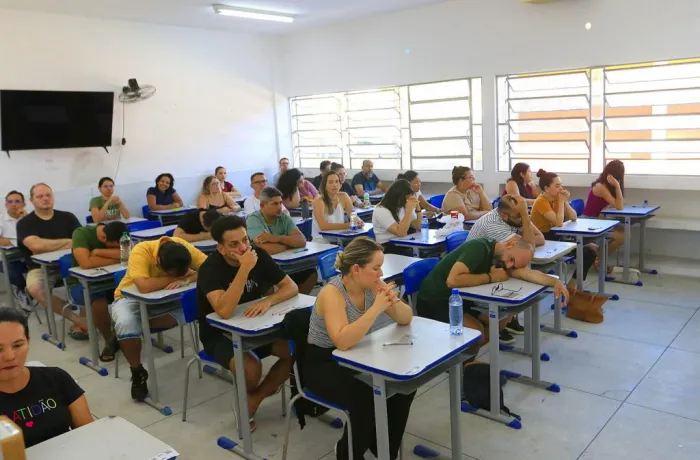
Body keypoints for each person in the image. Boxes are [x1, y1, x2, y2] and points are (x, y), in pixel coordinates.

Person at [305, 237, 414, 460]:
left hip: (358, 355)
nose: (380, 273)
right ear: (356, 269)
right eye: (375, 268)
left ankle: (383, 449)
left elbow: (406, 318)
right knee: (366, 396)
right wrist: (376, 309)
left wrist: (391, 301)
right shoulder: (332, 293)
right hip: (323, 363)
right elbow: (342, 341)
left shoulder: (371, 285)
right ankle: (348, 453)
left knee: (402, 386)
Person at [197, 216, 295, 431]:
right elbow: (224, 311)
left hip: (255, 325)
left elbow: (291, 287)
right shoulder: (209, 269)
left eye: (245, 240)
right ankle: (251, 396)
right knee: (251, 368)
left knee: (295, 352)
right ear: (221, 249)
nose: (243, 248)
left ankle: (252, 400)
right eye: (234, 244)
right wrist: (244, 269)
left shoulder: (258, 254)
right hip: (218, 333)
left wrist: (269, 300)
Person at [417, 238, 569, 347]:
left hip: (459, 299)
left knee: (500, 321)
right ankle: (462, 367)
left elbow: (527, 274)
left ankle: (467, 361)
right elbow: (452, 281)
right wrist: (491, 277)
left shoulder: (503, 258)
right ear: (509, 244)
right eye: (510, 259)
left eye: (513, 265)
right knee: (478, 334)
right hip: (435, 299)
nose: (508, 265)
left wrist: (555, 282)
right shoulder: (478, 248)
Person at [110, 236, 207, 401]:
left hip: (166, 296)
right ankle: (137, 372)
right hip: (130, 298)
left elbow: (208, 267)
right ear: (159, 262)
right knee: (126, 323)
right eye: (170, 273)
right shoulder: (141, 251)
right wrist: (179, 278)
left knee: (193, 309)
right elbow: (143, 286)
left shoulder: (181, 246)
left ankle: (124, 336)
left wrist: (188, 279)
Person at [0, 309, 94, 448]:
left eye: (18, 345)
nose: (10, 356)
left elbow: (90, 435)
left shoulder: (56, 379)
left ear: (28, 341)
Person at [466, 194, 545, 340]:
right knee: (518, 274)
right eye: (519, 216)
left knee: (520, 275)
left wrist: (524, 216)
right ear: (504, 216)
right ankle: (497, 324)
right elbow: (529, 247)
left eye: (523, 215)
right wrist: (525, 219)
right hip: (476, 273)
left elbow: (539, 239)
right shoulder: (493, 224)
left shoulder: (514, 216)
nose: (522, 220)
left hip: (497, 265)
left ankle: (507, 320)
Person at [17, 184, 87, 338]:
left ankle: (84, 319)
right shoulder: (25, 223)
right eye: (40, 196)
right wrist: (68, 242)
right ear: (31, 201)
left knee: (86, 281)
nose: (45, 198)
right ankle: (77, 319)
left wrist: (47, 245)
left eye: (48, 195)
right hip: (39, 268)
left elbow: (81, 240)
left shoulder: (68, 217)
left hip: (71, 263)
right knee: (35, 288)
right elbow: (36, 246)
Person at [70, 221, 129, 362]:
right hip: (81, 284)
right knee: (98, 300)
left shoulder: (119, 231)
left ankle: (129, 332)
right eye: (113, 246)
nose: (116, 249)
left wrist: (97, 253)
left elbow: (127, 253)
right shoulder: (81, 234)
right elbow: (85, 263)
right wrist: (117, 258)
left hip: (110, 281)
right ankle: (110, 340)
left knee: (131, 292)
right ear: (103, 238)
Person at [531, 169, 598, 289]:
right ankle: (567, 288)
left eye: (561, 185)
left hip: (556, 238)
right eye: (557, 186)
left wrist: (565, 202)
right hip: (544, 240)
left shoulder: (556, 198)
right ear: (547, 188)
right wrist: (562, 201)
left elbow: (573, 217)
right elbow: (558, 223)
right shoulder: (541, 201)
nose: (561, 188)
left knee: (592, 249)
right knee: (587, 251)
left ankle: (572, 285)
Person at [246, 188, 318, 294]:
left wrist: (276, 238)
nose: (279, 207)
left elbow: (301, 241)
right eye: (275, 204)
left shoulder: (283, 217)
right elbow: (269, 249)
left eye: (280, 203)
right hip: (263, 265)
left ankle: (297, 301)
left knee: (311, 273)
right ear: (262, 206)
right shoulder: (253, 219)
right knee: (269, 282)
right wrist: (290, 243)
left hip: (286, 262)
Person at [583, 160, 626, 256]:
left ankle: (598, 257)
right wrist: (617, 185)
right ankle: (598, 257)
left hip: (599, 220)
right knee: (622, 237)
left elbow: (619, 204)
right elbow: (619, 206)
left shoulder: (607, 186)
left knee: (625, 233)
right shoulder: (600, 186)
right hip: (590, 221)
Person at [371, 180, 420, 254]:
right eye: (406, 198)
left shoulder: (403, 206)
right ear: (397, 197)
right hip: (387, 246)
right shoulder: (381, 210)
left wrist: (418, 208)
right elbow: (400, 233)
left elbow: (418, 226)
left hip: (403, 242)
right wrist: (409, 210)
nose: (407, 201)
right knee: (414, 253)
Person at [312, 171, 363, 242]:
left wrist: (359, 221)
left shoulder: (344, 196)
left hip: (339, 237)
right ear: (324, 185)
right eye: (330, 182)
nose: (334, 185)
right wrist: (348, 225)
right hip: (321, 240)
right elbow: (323, 226)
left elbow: (353, 215)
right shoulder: (319, 201)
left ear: (340, 184)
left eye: (336, 182)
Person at [0, 190, 30, 310]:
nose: (13, 204)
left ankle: (33, 291)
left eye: (17, 201)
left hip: (26, 254)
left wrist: (26, 218)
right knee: (13, 272)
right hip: (6, 257)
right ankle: (22, 290)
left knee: (40, 269)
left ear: (23, 204)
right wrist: (19, 241)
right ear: (5, 204)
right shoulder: (1, 219)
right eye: (10, 202)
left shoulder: (29, 218)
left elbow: (37, 236)